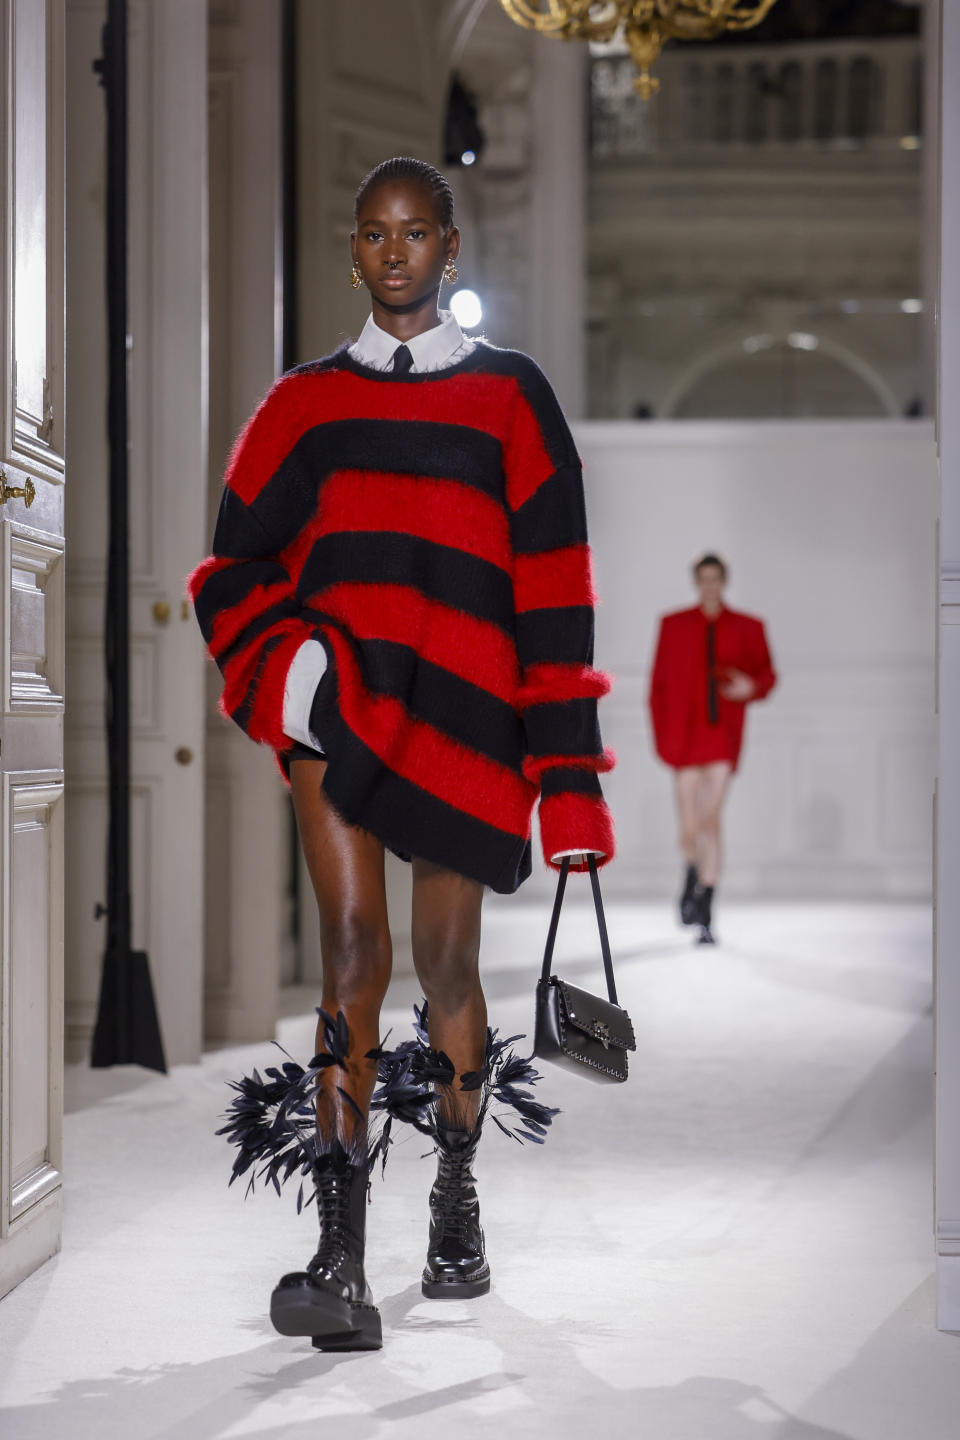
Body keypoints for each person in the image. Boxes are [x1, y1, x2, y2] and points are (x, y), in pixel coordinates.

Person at [187, 156, 616, 1352]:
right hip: (339, 716)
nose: (393, 252)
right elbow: (232, 570)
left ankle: (457, 1196)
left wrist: (568, 780)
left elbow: (555, 591)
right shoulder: (301, 406)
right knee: (350, 955)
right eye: (373, 233)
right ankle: (338, 1252)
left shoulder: (514, 400)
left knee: (448, 969)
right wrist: (297, 670)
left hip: (469, 724)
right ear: (354, 247)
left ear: (451, 247)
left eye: (415, 232)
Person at [648, 553, 775, 944]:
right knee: (688, 824)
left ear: (724, 581)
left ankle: (705, 909)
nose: (709, 586)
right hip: (685, 736)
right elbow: (658, 687)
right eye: (703, 578)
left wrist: (749, 687)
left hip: (721, 733)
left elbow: (766, 674)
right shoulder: (673, 626)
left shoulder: (748, 627)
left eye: (715, 578)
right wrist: (664, 740)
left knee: (710, 821)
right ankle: (691, 876)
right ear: (696, 582)